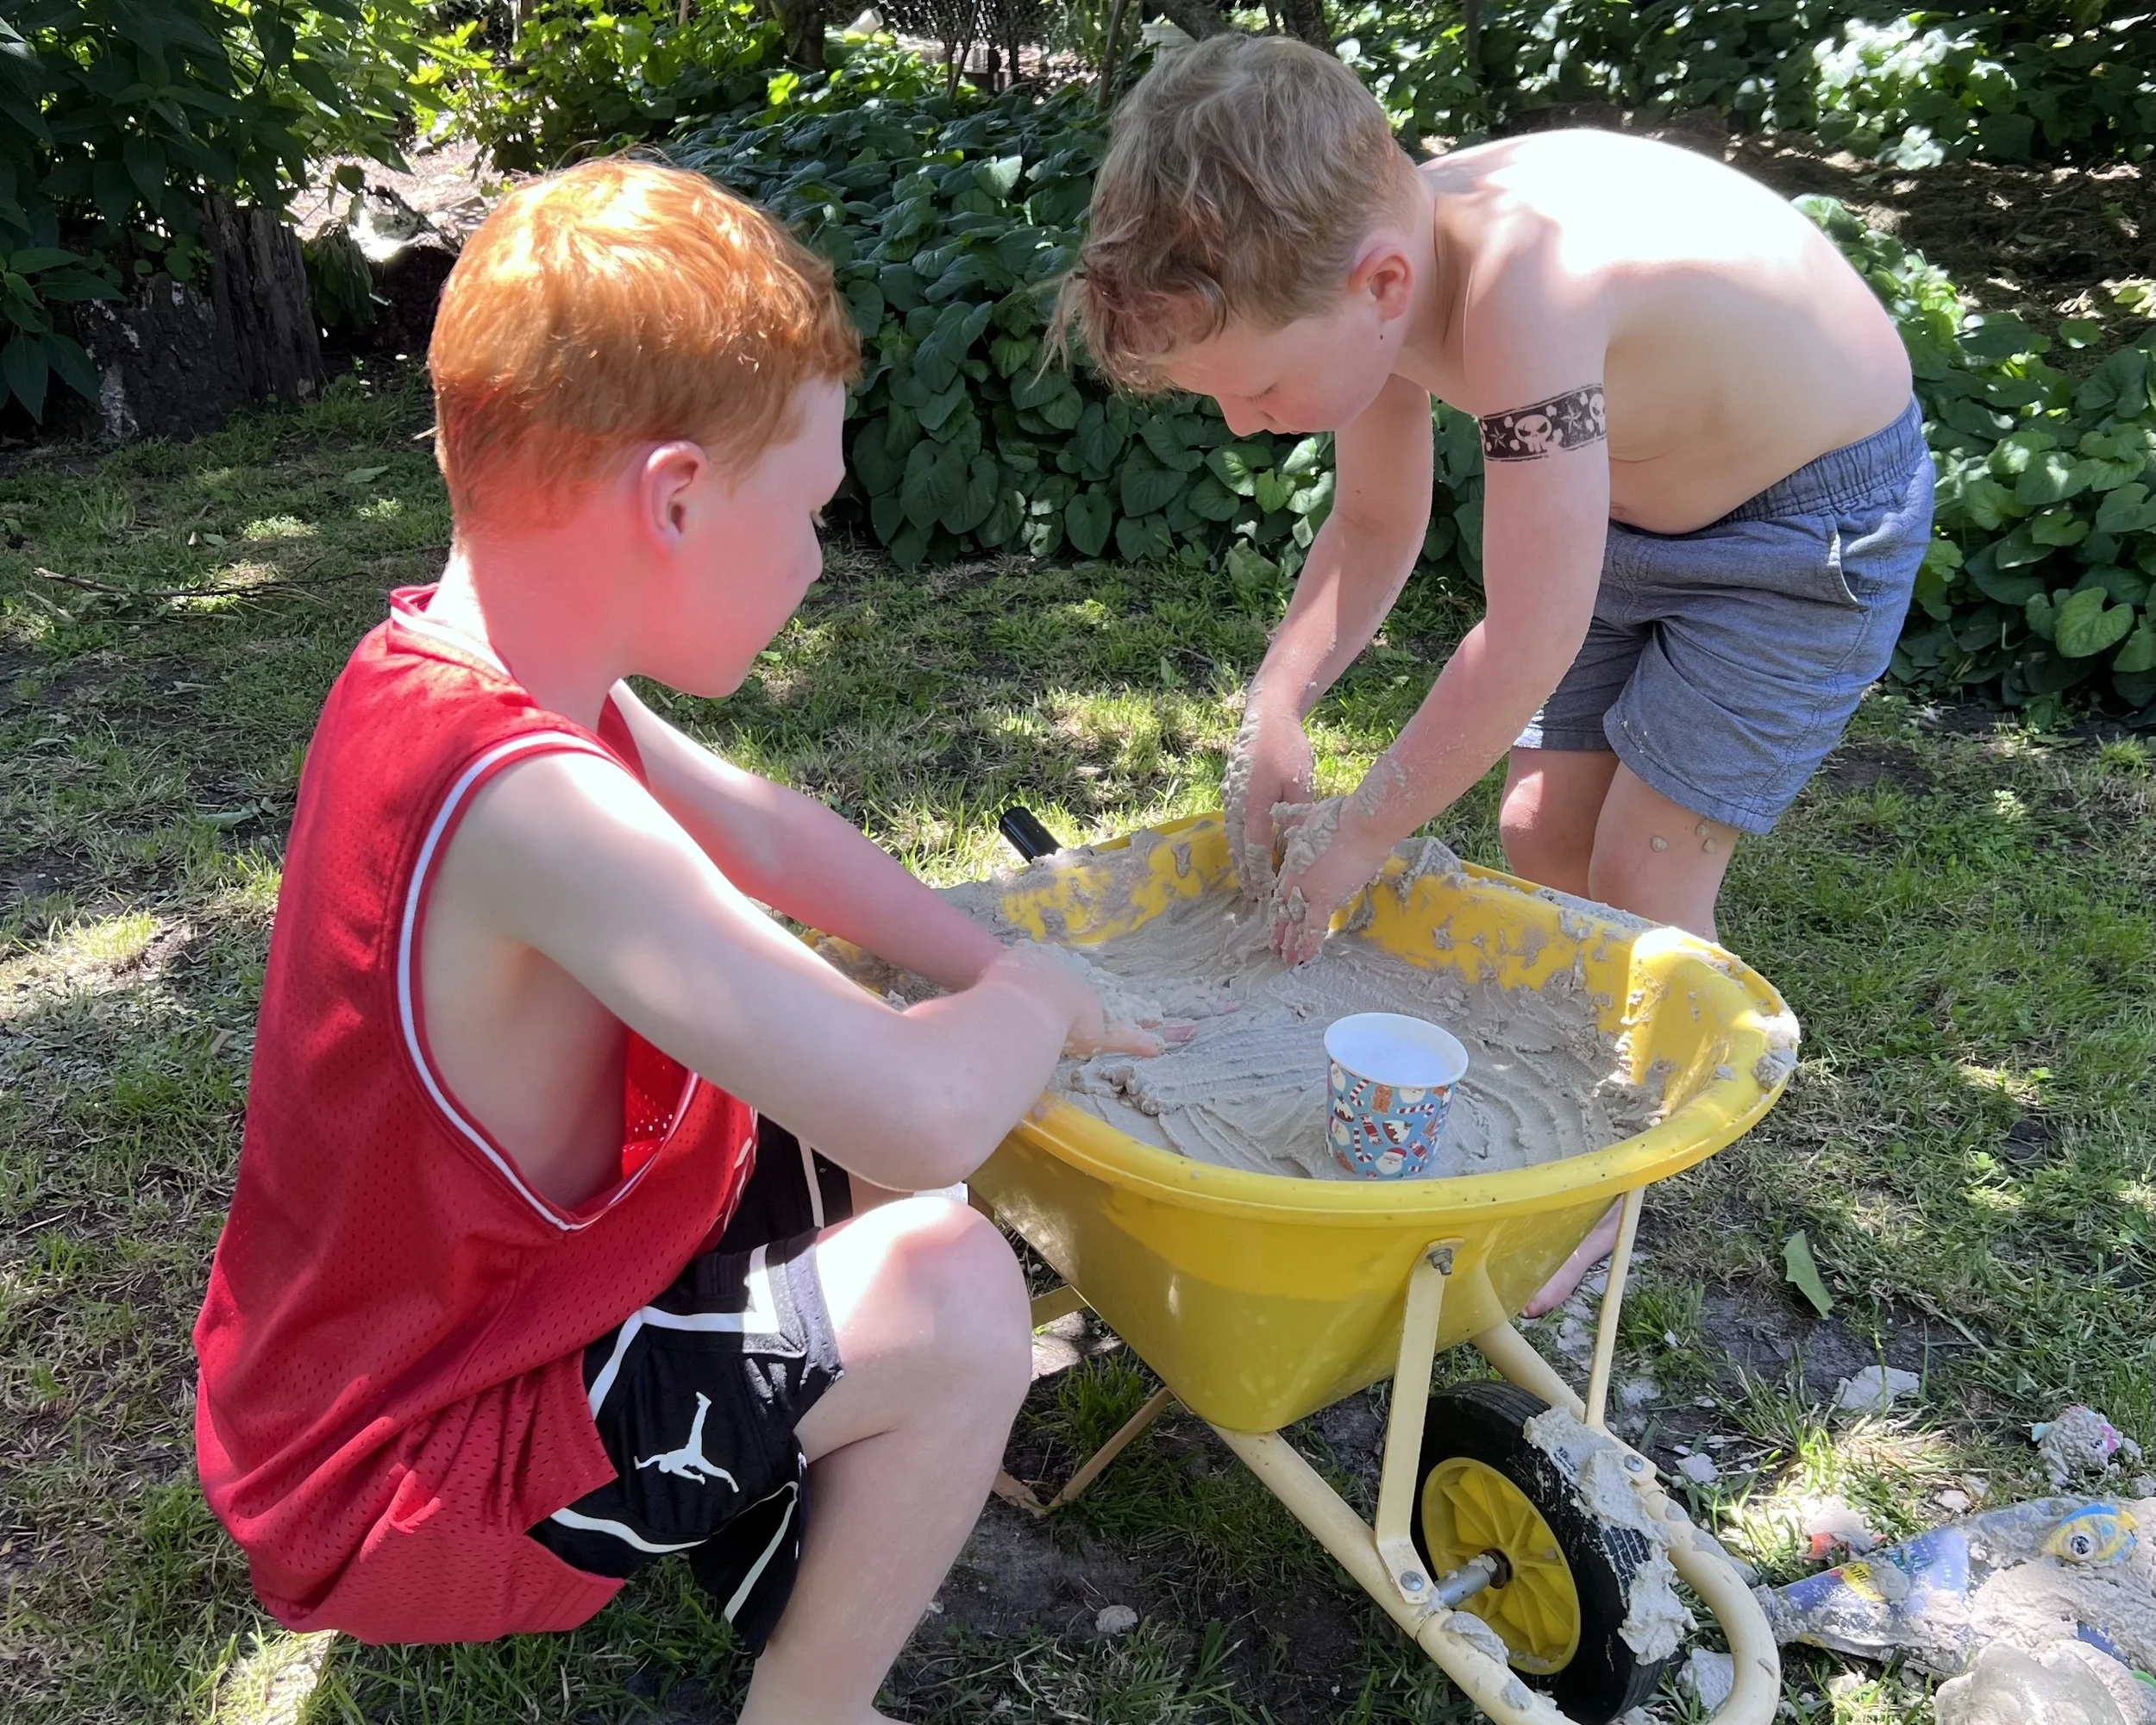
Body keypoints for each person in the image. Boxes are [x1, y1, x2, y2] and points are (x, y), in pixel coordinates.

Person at [194, 160, 1163, 1725]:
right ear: (678, 495)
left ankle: (778, 1499)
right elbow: (918, 1109)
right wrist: (1042, 995)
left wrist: (983, 958)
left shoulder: (477, 668)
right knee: (952, 1275)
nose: (817, 561)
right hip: (403, 1471)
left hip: (428, 1343)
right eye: (812, 511)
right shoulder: (527, 806)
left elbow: (773, 835)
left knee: (862, 1086)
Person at [1058, 35, 1930, 1310]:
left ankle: (1610, 1193)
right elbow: (1372, 528)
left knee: (1643, 863)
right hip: (1636, 502)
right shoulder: (1363, 265)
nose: (1243, 422)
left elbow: (1529, 635)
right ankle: (1584, 1097)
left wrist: (1359, 833)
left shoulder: (1525, 289)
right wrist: (1280, 698)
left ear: (1382, 285)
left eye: (1255, 388)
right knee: (1537, 827)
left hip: (1806, 530)